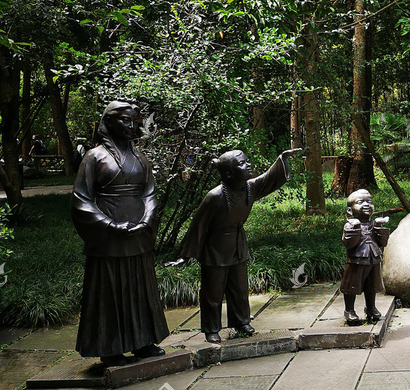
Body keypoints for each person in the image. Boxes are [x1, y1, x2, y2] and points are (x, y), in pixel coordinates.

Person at [167, 148, 302, 343]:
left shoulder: (250, 187)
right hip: (215, 248)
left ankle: (241, 322)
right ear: (229, 173)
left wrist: (282, 159)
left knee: (239, 288)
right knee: (213, 292)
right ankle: (211, 328)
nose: (248, 165)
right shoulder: (214, 196)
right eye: (242, 163)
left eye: (246, 160)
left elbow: (269, 178)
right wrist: (185, 255)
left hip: (238, 244)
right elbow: (198, 226)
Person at [71, 100, 169, 366]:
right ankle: (111, 348)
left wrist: (147, 218)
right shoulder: (94, 157)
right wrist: (110, 225)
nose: (130, 126)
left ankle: (143, 341)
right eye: (124, 120)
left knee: (140, 287)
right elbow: (81, 200)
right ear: (109, 122)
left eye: (133, 121)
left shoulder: (141, 158)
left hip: (138, 233)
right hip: (109, 236)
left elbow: (149, 193)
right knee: (110, 291)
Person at [341, 189, 390, 325]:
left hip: (373, 258)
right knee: (351, 286)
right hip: (356, 261)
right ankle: (349, 310)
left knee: (372, 285)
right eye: (361, 202)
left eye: (369, 201)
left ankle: (371, 307)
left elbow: (383, 243)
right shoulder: (350, 225)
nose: (366, 204)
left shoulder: (373, 224)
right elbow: (349, 243)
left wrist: (379, 227)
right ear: (350, 210)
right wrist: (356, 228)